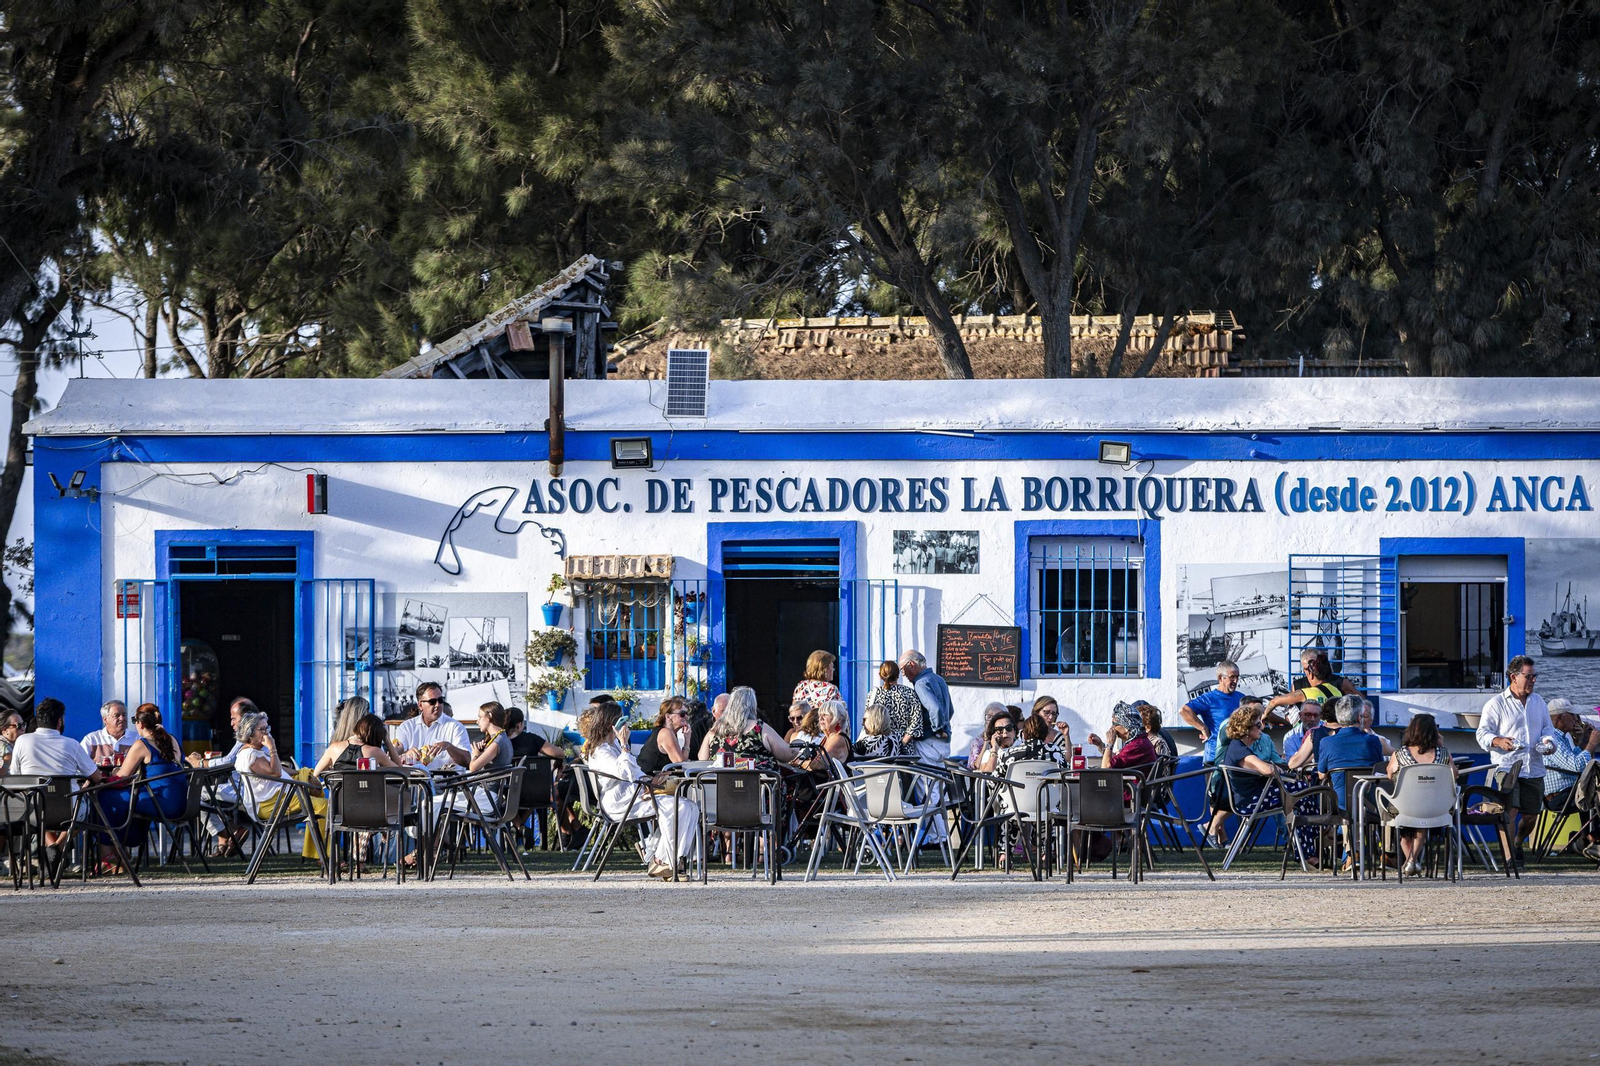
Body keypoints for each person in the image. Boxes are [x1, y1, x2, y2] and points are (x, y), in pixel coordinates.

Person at [580, 701, 698, 879]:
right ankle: (663, 859)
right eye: (622, 720)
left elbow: (634, 772)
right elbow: (624, 772)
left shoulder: (613, 747)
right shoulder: (601, 751)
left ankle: (661, 858)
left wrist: (649, 781)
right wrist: (625, 744)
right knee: (678, 807)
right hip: (620, 803)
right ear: (611, 724)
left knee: (690, 806)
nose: (626, 724)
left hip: (633, 796)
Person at [1475, 655, 1559, 867]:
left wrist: (1548, 741)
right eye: (1529, 676)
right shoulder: (1496, 704)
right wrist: (1498, 740)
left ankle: (1518, 842)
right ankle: (1509, 856)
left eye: (1534, 676)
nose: (1533, 681)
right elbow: (1482, 733)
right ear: (1514, 677)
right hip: (1507, 766)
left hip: (1534, 766)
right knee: (1509, 810)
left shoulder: (1538, 701)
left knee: (1531, 816)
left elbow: (1548, 729)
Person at [95, 705, 189, 870]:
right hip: (183, 802)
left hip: (161, 802)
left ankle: (108, 854)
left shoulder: (142, 744)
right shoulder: (172, 739)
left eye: (133, 720)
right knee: (127, 799)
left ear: (140, 724)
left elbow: (122, 779)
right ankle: (119, 850)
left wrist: (101, 780)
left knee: (104, 796)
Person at [1219, 705, 1320, 857]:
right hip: (1251, 802)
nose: (1262, 728)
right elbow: (1267, 770)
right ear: (1246, 727)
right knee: (1303, 791)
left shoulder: (1239, 747)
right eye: (1258, 724)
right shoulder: (1239, 749)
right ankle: (1313, 845)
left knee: (1302, 793)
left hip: (1256, 797)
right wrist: (1275, 768)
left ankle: (1310, 847)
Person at [11, 699, 104, 851]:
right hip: (68, 811)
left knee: (41, 804)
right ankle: (58, 847)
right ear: (59, 721)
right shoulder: (71, 744)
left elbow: (15, 775)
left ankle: (53, 850)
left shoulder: (22, 741)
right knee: (79, 815)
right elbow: (97, 777)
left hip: (33, 810)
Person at [233, 711, 327, 859]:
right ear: (249, 733)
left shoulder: (256, 751)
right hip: (271, 803)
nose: (266, 733)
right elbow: (275, 772)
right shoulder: (250, 755)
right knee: (323, 806)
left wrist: (299, 773)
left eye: (267, 728)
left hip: (281, 798)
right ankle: (322, 856)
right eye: (262, 729)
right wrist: (272, 748)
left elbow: (281, 769)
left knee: (316, 796)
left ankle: (318, 853)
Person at [1383, 713, 1455, 876]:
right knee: (1423, 817)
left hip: (1404, 807)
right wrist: (1441, 745)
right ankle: (1412, 860)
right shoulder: (1443, 754)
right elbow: (1454, 774)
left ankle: (1411, 861)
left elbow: (1389, 774)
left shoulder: (1400, 754)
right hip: (1437, 807)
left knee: (1407, 822)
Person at [1316, 695, 1388, 812]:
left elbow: (1321, 775)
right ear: (1360, 718)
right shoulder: (1373, 740)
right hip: (1368, 802)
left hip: (1340, 803)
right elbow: (1379, 770)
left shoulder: (1326, 742)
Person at [698, 686, 796, 764]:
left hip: (721, 787)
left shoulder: (715, 730)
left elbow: (702, 759)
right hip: (758, 787)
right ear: (752, 706)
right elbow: (786, 755)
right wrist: (797, 745)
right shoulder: (759, 728)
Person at [1267, 649, 1357, 725]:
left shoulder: (1339, 683)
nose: (1308, 671)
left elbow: (1275, 701)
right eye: (1306, 668)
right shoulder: (1298, 685)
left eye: (1312, 665)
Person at [898, 649, 953, 766]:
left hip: (929, 742)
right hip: (944, 743)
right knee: (939, 780)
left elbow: (935, 709)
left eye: (902, 669)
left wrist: (937, 729)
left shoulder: (921, 683)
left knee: (925, 780)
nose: (903, 674)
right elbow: (950, 710)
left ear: (911, 665)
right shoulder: (939, 679)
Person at [396, 682, 470, 768]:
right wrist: (406, 755)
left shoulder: (455, 727)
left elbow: (467, 761)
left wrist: (449, 746)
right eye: (432, 702)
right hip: (414, 780)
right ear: (420, 705)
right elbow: (395, 755)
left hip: (448, 780)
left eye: (440, 700)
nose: (437, 705)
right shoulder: (406, 727)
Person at [1180, 661, 1243, 762]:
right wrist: (1203, 727)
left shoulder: (1241, 698)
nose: (1235, 681)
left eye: (1237, 677)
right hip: (1215, 756)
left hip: (1237, 755)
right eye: (1232, 677)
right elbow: (1184, 710)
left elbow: (1259, 712)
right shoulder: (1209, 699)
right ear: (1220, 678)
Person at [311, 711, 403, 781]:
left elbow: (316, 774)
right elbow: (401, 772)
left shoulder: (334, 748)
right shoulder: (375, 752)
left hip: (338, 803)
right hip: (368, 803)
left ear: (357, 727)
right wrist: (387, 740)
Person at [867, 661, 927, 751]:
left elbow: (868, 720)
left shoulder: (874, 694)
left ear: (880, 676)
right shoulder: (909, 693)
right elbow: (917, 720)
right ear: (898, 675)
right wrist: (903, 741)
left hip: (880, 745)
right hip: (904, 746)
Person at [1088, 702, 1156, 770]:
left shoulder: (1136, 745)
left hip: (1133, 780)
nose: (1112, 728)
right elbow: (1117, 760)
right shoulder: (1139, 741)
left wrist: (1110, 743)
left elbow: (1106, 769)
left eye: (1114, 724)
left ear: (1126, 727)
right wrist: (1100, 745)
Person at [638, 697, 692, 775]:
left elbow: (681, 762)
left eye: (687, 713)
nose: (686, 717)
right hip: (648, 782)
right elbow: (679, 763)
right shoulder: (666, 733)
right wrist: (687, 741)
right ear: (668, 716)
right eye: (682, 714)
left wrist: (687, 738)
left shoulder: (669, 732)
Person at [999, 711, 1067, 769]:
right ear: (1045, 734)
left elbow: (993, 782)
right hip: (1046, 785)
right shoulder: (1054, 750)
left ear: (1023, 734)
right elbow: (1066, 772)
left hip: (1016, 784)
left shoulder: (1009, 753)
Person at [967, 702, 1009, 767]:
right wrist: (986, 742)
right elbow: (977, 766)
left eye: (997, 717)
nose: (992, 720)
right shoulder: (978, 742)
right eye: (989, 716)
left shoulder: (1008, 738)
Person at [0, 710, 23, 774]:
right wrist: (7, 762)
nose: (23, 729)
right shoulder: (3, 747)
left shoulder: (16, 745)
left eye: (24, 724)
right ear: (5, 730)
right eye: (19, 725)